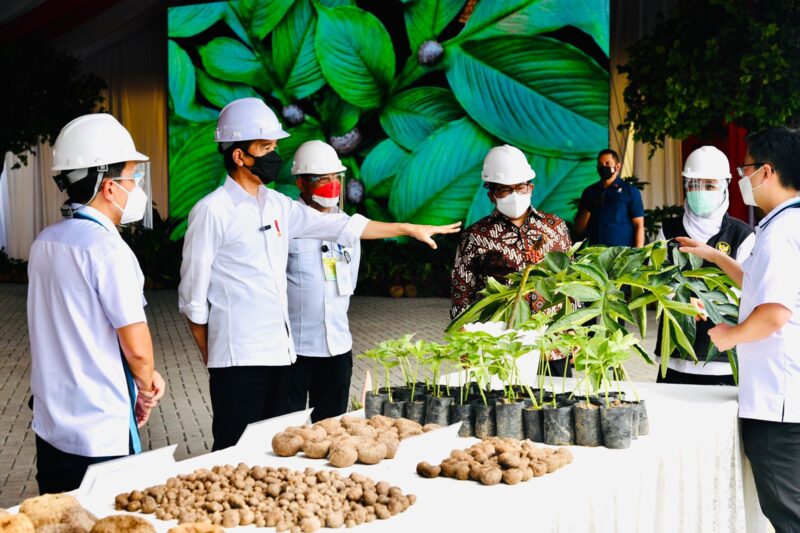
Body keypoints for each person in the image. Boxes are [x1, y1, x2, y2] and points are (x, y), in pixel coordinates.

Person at [178, 98, 460, 451]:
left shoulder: (278, 206)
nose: (274, 155)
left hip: (281, 357)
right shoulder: (211, 212)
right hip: (237, 360)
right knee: (233, 451)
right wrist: (213, 357)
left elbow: (343, 226)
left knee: (276, 448)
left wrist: (406, 227)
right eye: (266, 147)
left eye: (275, 147)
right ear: (239, 156)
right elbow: (192, 298)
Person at [27, 113, 165, 494]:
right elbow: (137, 349)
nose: (136, 187)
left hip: (51, 426)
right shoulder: (108, 250)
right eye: (132, 178)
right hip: (99, 434)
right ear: (108, 186)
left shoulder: (46, 241)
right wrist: (147, 384)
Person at [678, 127, 800, 531]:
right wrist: (715, 256)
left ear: (766, 172)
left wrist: (727, 334)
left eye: (745, 168)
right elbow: (758, 281)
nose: (743, 177)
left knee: (787, 512)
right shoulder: (785, 223)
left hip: (778, 406)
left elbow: (774, 313)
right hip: (783, 397)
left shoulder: (780, 232)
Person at [450, 144, 573, 374]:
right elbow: (461, 289)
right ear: (491, 194)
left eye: (520, 187)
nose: (515, 195)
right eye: (505, 190)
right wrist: (463, 336)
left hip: (551, 344)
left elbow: (571, 283)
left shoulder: (555, 227)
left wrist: (574, 331)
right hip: (499, 343)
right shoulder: (477, 236)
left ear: (531, 187)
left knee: (557, 405)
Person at [654, 146, 755, 385]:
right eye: (693, 184)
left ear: (725, 186)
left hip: (722, 359)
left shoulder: (742, 235)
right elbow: (655, 279)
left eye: (709, 185)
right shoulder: (668, 230)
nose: (700, 191)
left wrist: (708, 304)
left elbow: (748, 289)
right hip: (676, 355)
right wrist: (678, 300)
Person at [280, 140, 360, 422]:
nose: (331, 185)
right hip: (295, 350)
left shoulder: (349, 227)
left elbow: (349, 283)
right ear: (301, 183)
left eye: (335, 177)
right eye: (321, 179)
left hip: (338, 347)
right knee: (285, 430)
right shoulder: (287, 223)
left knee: (332, 428)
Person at [574, 149, 645, 247]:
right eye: (600, 164)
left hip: (621, 253)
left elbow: (639, 225)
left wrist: (638, 254)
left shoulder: (630, 191)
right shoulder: (590, 191)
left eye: (607, 163)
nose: (603, 167)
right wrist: (589, 208)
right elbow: (579, 228)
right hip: (594, 253)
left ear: (617, 166)